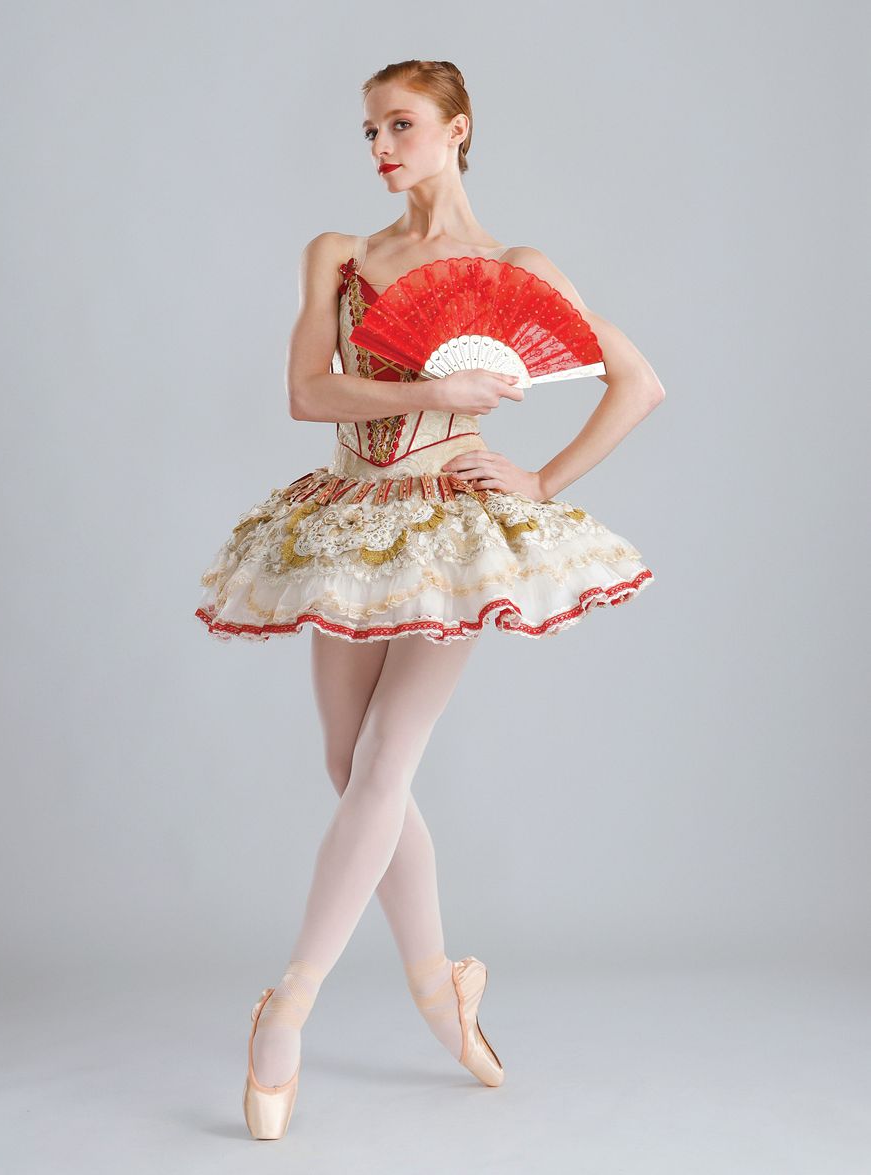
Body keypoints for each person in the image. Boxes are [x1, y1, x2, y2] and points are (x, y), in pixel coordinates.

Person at [194, 59, 664, 1140]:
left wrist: (541, 480)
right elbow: (305, 392)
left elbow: (636, 382)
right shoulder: (341, 255)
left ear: (456, 131)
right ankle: (437, 984)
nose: (379, 148)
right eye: (367, 130)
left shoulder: (514, 267)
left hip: (448, 526)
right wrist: (432, 387)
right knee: (344, 764)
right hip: (350, 512)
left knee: (382, 766)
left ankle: (287, 1005)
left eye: (399, 124)